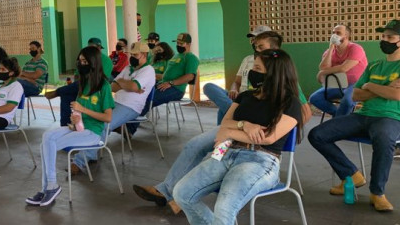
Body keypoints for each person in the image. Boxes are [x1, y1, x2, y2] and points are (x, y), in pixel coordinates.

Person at [132, 30, 312, 214]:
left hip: (246, 136)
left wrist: (285, 132)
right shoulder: (249, 63)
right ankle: (176, 192)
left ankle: (176, 196)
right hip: (237, 116)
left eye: (261, 46)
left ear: (274, 51)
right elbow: (237, 84)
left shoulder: (282, 78)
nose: (255, 49)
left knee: (217, 156)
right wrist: (235, 98)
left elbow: (301, 113)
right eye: (255, 45)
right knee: (198, 143)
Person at [174, 49, 304, 225]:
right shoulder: (246, 96)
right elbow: (223, 127)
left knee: (225, 206)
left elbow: (268, 137)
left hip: (261, 160)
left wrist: (233, 131)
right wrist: (246, 125)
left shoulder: (290, 103)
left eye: (258, 68)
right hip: (226, 152)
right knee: (182, 192)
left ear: (274, 73)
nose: (251, 72)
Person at [308, 20, 400, 212]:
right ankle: (351, 175)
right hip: (364, 115)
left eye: (390, 37)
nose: (384, 40)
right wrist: (384, 88)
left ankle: (377, 193)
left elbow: (398, 95)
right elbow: (355, 95)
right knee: (317, 135)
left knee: (383, 137)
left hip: (393, 118)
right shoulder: (374, 65)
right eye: (383, 36)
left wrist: (371, 86)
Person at [25, 46, 115, 206]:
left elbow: (108, 117)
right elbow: (79, 112)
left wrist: (83, 110)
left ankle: (51, 186)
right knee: (47, 137)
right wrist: (75, 119)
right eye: (80, 61)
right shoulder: (84, 84)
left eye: (85, 61)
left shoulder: (104, 86)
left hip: (93, 133)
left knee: (50, 145)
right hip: (79, 128)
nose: (81, 64)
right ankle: (47, 187)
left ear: (93, 63)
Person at [203, 25, 271, 124]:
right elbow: (237, 82)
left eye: (258, 40)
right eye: (253, 40)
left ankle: (231, 113)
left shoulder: (273, 63)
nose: (255, 43)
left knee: (222, 110)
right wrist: (234, 89)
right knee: (209, 87)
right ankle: (233, 111)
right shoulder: (247, 59)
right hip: (238, 97)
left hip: (251, 100)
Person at [45, 37, 112, 126]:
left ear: (99, 48)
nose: (82, 63)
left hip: (95, 85)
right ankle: (66, 125)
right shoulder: (84, 59)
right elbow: (77, 75)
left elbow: (101, 78)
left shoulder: (106, 61)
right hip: (82, 83)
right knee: (66, 95)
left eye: (93, 48)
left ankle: (57, 92)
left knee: (65, 91)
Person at [309, 24, 368, 118]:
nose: (334, 35)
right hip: (337, 85)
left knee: (347, 101)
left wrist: (322, 73)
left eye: (338, 33)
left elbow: (344, 68)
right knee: (315, 98)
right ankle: (339, 117)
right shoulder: (329, 51)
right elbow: (323, 67)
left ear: (346, 36)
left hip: (356, 84)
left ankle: (338, 120)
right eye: (333, 33)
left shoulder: (356, 48)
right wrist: (331, 48)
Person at [152, 34, 198, 108]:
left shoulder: (191, 58)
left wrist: (170, 83)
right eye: (177, 43)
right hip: (163, 84)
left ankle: (138, 114)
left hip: (176, 89)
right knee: (143, 94)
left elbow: (190, 77)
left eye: (181, 44)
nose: (178, 45)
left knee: (151, 99)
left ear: (189, 44)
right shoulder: (176, 56)